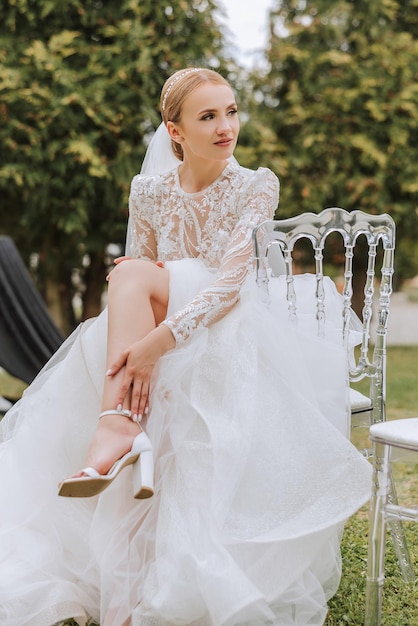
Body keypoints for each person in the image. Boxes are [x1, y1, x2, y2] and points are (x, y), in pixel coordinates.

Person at [0, 68, 371, 626]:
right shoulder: (147, 190)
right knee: (126, 275)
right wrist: (147, 343)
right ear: (174, 130)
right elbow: (141, 268)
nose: (227, 127)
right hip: (154, 319)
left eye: (231, 111)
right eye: (208, 116)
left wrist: (157, 343)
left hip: (225, 320)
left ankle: (117, 425)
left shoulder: (255, 184)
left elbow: (229, 284)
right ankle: (124, 438)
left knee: (133, 297)